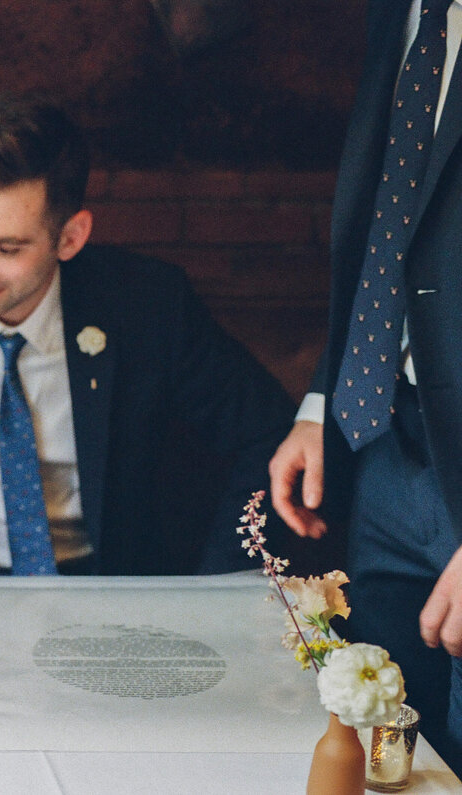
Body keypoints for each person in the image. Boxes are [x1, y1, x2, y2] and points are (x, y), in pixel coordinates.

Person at [0, 94, 298, 577]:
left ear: (71, 237)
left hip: (102, 584)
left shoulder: (147, 305)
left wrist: (222, 580)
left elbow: (267, 431)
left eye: (5, 248)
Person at [268, 0, 462, 774]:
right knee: (388, 748)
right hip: (384, 437)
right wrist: (324, 398)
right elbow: (388, 228)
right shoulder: (401, 12)